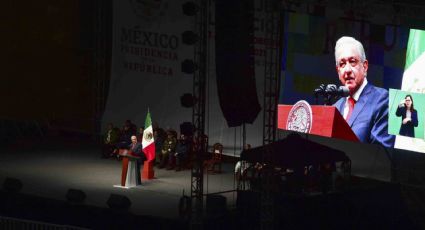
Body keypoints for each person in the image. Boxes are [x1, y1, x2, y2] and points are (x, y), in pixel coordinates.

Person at [333, 36, 395, 148]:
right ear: (338, 71)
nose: (347, 70)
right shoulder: (335, 108)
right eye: (342, 64)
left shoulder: (382, 100)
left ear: (365, 66)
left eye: (352, 62)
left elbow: (379, 154)